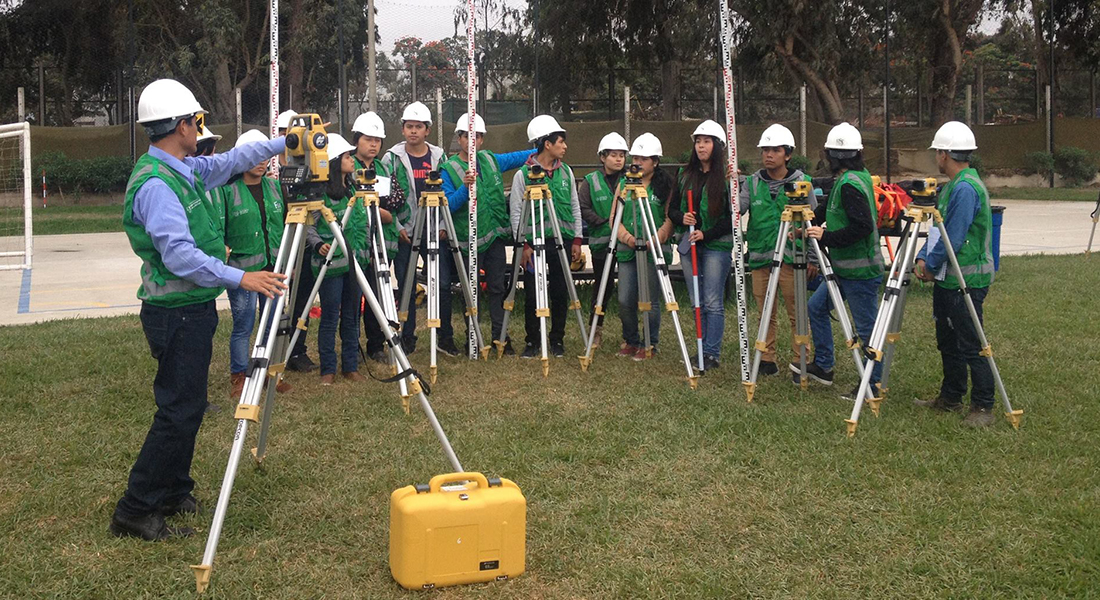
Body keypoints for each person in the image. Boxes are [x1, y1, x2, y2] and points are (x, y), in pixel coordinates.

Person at [112, 79, 287, 541]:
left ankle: (174, 491)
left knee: (187, 407)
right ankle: (136, 508)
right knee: (178, 410)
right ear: (181, 126)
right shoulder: (157, 184)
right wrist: (241, 277)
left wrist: (285, 142)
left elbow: (230, 162)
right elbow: (179, 256)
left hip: (191, 309)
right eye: (197, 120)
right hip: (175, 313)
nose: (200, 128)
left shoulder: (182, 168)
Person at [914, 121, 997, 427]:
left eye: (937, 152)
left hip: (967, 279)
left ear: (944, 154)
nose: (936, 156)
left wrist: (930, 265)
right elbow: (938, 229)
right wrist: (924, 257)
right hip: (949, 278)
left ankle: (983, 406)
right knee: (948, 340)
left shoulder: (965, 188)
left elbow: (955, 236)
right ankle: (951, 396)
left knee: (971, 342)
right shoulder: (952, 186)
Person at [440, 112, 531, 356]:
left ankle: (501, 338)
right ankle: (474, 338)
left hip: (495, 239)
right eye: (468, 136)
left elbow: (515, 158)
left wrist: (539, 151)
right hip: (467, 241)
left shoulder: (490, 159)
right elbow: (448, 205)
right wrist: (465, 187)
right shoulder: (448, 169)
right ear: (459, 138)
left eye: (478, 137)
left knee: (498, 287)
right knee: (471, 292)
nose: (473, 141)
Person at [803, 122, 884, 396]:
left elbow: (862, 227)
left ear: (832, 156)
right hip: (843, 269)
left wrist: (825, 237)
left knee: (866, 329)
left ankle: (871, 385)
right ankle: (823, 366)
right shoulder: (852, 178)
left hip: (860, 272)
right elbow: (829, 208)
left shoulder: (850, 184)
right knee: (816, 307)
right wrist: (806, 226)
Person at [740, 123, 815, 376]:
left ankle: (801, 360)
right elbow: (737, 209)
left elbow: (813, 223)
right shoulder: (751, 183)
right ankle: (767, 358)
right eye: (765, 150)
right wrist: (730, 184)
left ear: (788, 154)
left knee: (797, 313)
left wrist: (813, 258)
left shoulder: (803, 183)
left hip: (793, 258)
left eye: (775, 150)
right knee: (765, 312)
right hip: (761, 256)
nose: (768, 155)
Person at [221, 129, 290, 399]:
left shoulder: (275, 187)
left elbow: (283, 224)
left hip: (273, 269)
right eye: (255, 156)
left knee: (271, 324)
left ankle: (270, 372)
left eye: (265, 156)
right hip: (243, 273)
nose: (261, 162)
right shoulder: (228, 191)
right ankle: (239, 375)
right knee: (244, 324)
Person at [508, 115, 582, 358]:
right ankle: (533, 341)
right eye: (561, 142)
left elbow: (574, 206)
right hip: (533, 244)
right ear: (547, 144)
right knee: (532, 293)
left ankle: (557, 339)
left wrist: (577, 240)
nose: (565, 146)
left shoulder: (566, 172)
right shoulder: (523, 175)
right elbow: (516, 212)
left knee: (560, 291)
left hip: (562, 242)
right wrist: (523, 245)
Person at [667, 120, 733, 372]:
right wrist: (681, 218)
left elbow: (732, 218)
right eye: (698, 141)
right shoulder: (685, 175)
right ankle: (700, 348)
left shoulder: (727, 177)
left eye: (706, 142)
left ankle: (711, 353)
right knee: (697, 298)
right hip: (689, 244)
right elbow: (672, 209)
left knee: (712, 300)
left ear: (717, 146)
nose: (701, 146)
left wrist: (707, 234)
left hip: (716, 246)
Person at [381, 101, 447, 353]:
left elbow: (447, 192)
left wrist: (443, 224)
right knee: (406, 286)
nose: (413, 131)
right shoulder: (391, 158)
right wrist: (398, 226)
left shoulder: (439, 157)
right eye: (409, 126)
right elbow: (384, 197)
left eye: (419, 126)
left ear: (427, 130)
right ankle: (407, 337)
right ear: (403, 129)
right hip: (405, 233)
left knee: (440, 283)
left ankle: (443, 336)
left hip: (434, 230)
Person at [305, 133, 368, 385]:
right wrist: (318, 245)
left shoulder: (352, 189)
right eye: (346, 156)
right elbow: (309, 227)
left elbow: (361, 222)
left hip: (352, 264)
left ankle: (350, 366)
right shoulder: (320, 194)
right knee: (330, 316)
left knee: (352, 316)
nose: (352, 160)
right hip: (329, 267)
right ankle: (328, 369)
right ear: (333, 162)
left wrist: (362, 252)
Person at [614, 133, 674, 361]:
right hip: (628, 250)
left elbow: (670, 218)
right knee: (625, 299)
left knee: (649, 300)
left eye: (643, 159)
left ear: (655, 162)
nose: (637, 162)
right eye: (635, 158)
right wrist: (627, 238)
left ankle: (650, 342)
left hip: (653, 251)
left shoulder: (665, 186)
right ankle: (631, 340)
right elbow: (615, 218)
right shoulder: (624, 184)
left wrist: (657, 238)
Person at [350, 111, 398, 365]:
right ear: (357, 139)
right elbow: (348, 201)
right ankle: (351, 346)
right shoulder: (347, 165)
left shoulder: (382, 168)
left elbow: (396, 199)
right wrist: (377, 210)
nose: (373, 144)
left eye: (377, 140)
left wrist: (382, 211)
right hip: (356, 241)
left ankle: (376, 344)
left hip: (380, 243)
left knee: (377, 296)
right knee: (353, 297)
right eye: (368, 139)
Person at [274, 109, 318, 373]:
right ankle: (275, 350)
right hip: (280, 245)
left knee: (302, 298)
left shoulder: (311, 166)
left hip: (304, 242)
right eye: (285, 133)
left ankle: (297, 349)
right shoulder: (269, 169)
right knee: (277, 302)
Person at [579, 132, 628, 350]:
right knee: (602, 288)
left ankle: (630, 334)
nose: (618, 159)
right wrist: (603, 221)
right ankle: (595, 330)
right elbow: (583, 207)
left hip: (625, 243)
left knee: (628, 289)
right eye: (613, 155)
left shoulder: (630, 180)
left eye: (622, 155)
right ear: (602, 157)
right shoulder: (590, 181)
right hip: (601, 244)